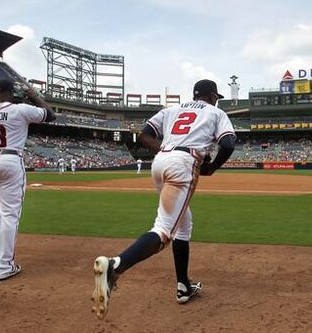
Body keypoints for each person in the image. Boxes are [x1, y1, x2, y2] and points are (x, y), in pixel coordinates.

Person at [92, 79, 236, 320]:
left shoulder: (173, 109)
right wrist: (212, 168)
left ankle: (183, 286)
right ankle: (115, 266)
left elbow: (144, 135)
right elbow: (229, 143)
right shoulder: (215, 112)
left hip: (160, 162)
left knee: (183, 223)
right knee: (163, 230)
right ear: (212, 96)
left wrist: (166, 151)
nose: (217, 100)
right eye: (216, 97)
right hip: (183, 164)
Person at [0, 80, 55, 281]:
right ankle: (4, 266)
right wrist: (34, 96)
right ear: (11, 93)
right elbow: (50, 114)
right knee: (9, 215)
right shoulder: (20, 109)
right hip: (11, 159)